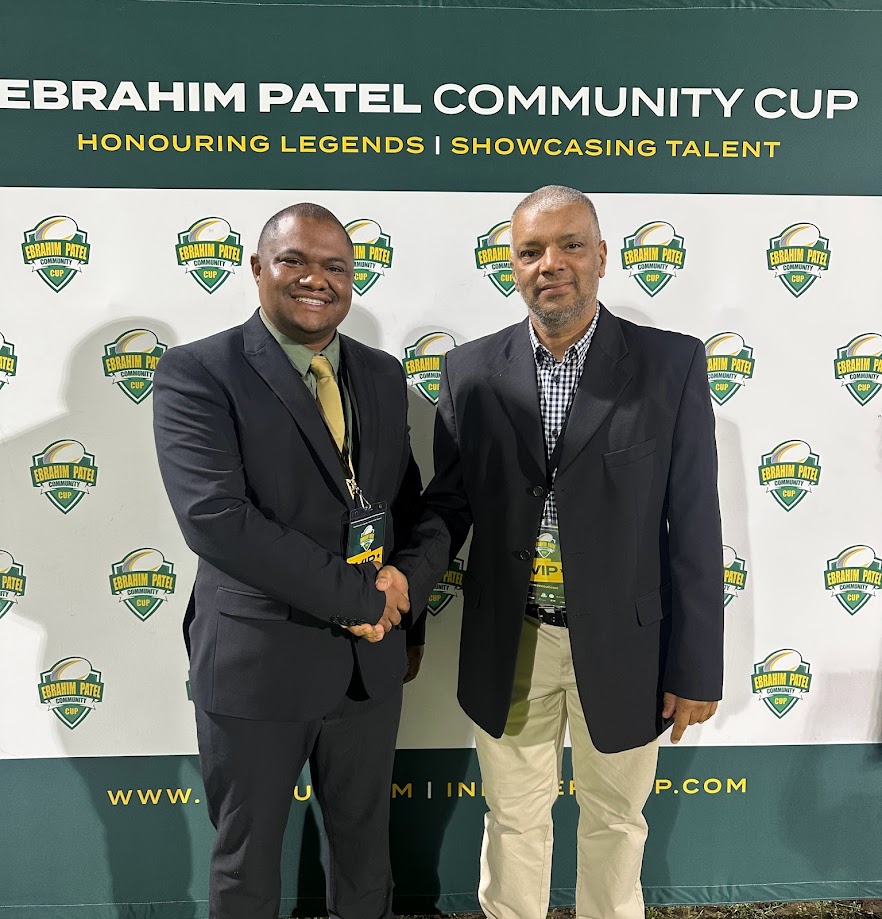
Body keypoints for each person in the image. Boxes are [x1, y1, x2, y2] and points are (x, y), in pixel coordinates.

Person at [387, 186, 724, 919]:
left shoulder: (671, 365)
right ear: (511, 266)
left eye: (571, 244)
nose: (552, 264)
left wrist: (696, 664)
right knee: (512, 823)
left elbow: (693, 523)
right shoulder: (469, 371)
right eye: (531, 250)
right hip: (511, 639)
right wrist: (402, 596)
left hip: (629, 647)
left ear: (602, 256)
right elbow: (449, 506)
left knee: (616, 823)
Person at [152, 202, 446, 919]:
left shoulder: (379, 374)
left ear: (353, 279)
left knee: (365, 857)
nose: (316, 279)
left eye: (335, 266)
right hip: (258, 661)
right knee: (247, 867)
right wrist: (364, 600)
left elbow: (403, 502)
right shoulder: (198, 373)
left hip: (367, 666)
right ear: (257, 268)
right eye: (295, 261)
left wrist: (404, 588)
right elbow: (217, 522)